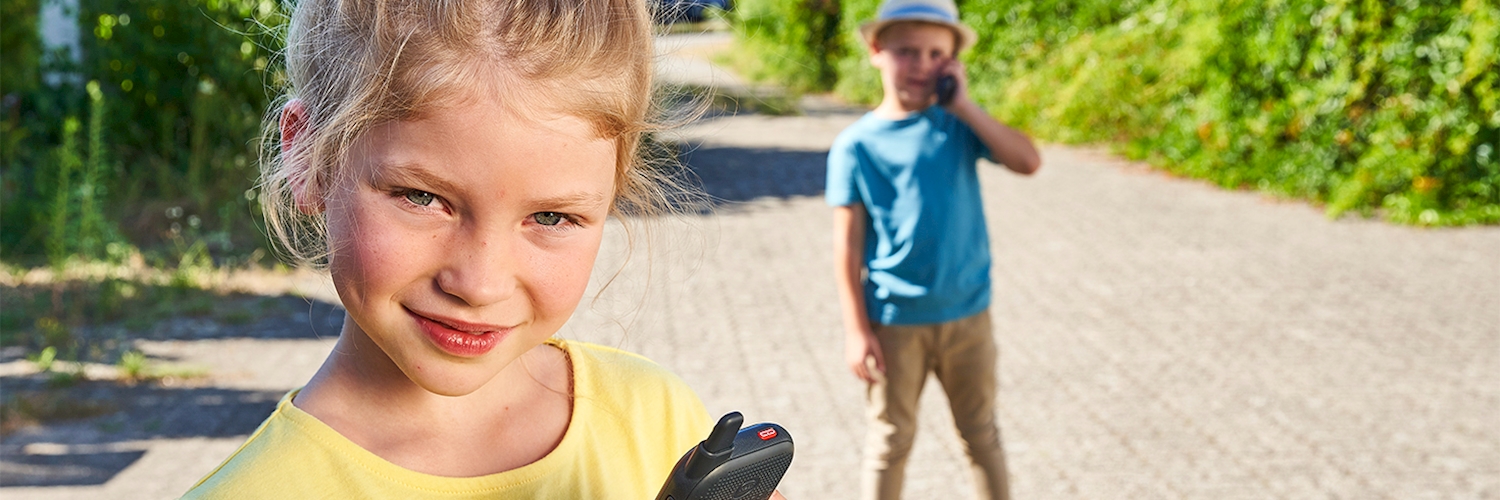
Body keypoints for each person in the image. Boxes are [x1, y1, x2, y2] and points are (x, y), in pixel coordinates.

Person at [182, 0, 770, 497]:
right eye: (420, 196)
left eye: (550, 216)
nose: (480, 283)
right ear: (308, 155)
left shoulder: (657, 418)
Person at [825, 0, 1042, 498]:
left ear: (951, 63)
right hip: (895, 323)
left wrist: (963, 104)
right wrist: (857, 329)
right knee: (891, 440)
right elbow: (847, 246)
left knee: (981, 433)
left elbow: (1028, 161)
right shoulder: (855, 145)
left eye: (934, 54)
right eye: (906, 51)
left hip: (969, 317)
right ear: (877, 50)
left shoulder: (958, 127)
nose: (920, 64)